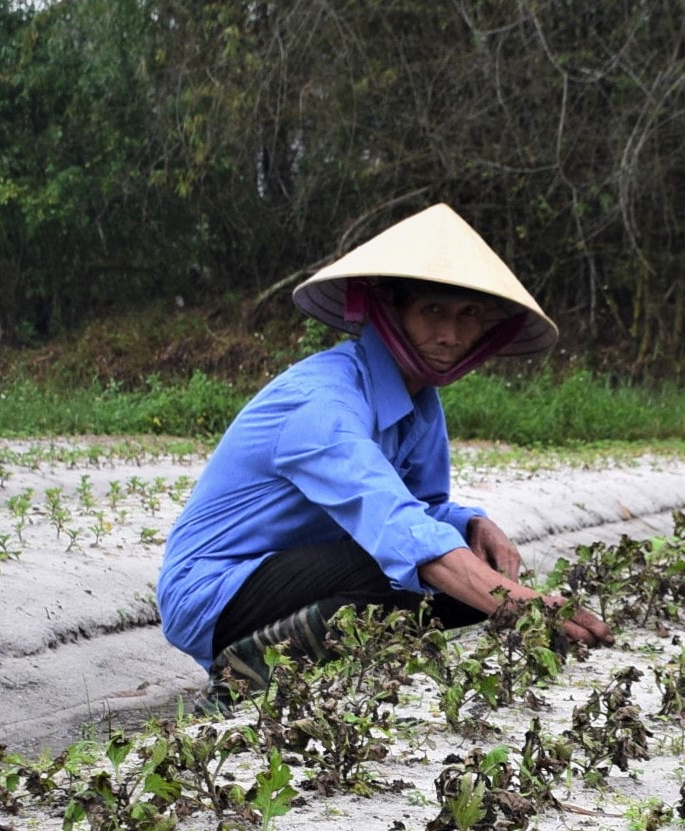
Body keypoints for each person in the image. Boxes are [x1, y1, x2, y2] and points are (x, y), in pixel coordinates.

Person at [157, 203, 612, 706]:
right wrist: (526, 606)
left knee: (466, 594)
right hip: (216, 589)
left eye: (468, 317)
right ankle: (246, 673)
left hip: (304, 569)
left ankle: (302, 656)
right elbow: (396, 527)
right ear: (390, 310)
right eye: (432, 311)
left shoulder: (419, 401)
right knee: (403, 567)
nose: (450, 336)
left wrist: (469, 522)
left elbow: (420, 505)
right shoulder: (323, 402)